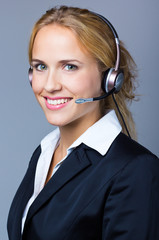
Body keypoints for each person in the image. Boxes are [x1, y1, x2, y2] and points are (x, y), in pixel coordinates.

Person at [7, 5, 159, 240]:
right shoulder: (44, 153)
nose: (49, 85)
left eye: (69, 67)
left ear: (108, 78)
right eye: (40, 67)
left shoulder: (135, 169)